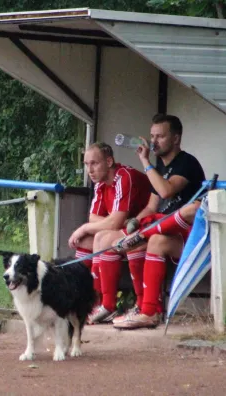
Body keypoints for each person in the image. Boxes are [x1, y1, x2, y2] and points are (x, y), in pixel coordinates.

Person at [91, 114, 206, 327]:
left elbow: (166, 190)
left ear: (176, 139)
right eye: (152, 136)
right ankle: (118, 305)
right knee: (111, 239)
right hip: (164, 228)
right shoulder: (159, 168)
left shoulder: (187, 162)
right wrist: (134, 222)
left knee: (150, 240)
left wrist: (144, 161)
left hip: (189, 233)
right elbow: (151, 207)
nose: (153, 141)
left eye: (160, 136)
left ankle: (150, 310)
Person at [67, 142, 151, 321]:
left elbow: (113, 222)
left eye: (94, 163)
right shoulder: (100, 182)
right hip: (125, 230)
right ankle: (86, 300)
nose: (90, 169)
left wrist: (84, 228)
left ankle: (107, 304)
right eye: (86, 164)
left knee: (101, 237)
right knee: (83, 241)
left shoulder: (123, 176)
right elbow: (94, 218)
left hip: (146, 228)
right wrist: (111, 222)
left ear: (109, 161)